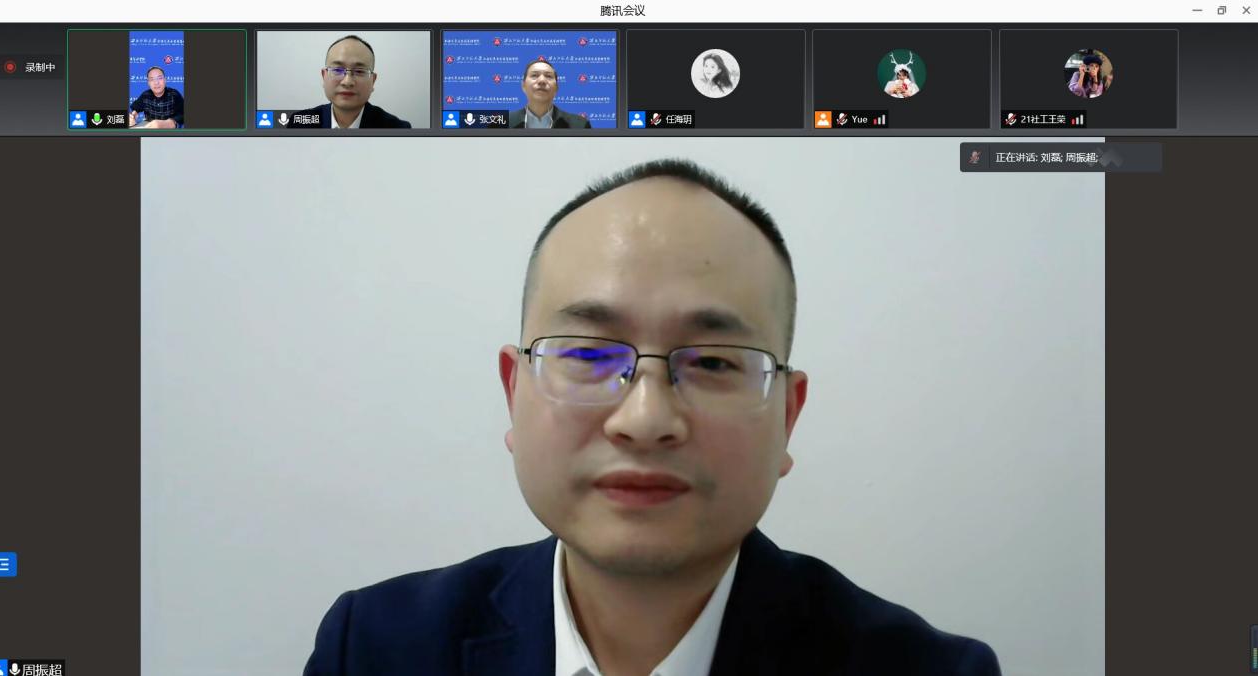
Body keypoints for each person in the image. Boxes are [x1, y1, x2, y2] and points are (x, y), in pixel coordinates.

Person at [303, 159, 1003, 676]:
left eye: (714, 362)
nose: (644, 420)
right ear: (514, 391)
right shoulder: (376, 648)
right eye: (588, 354)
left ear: (787, 417)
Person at [293, 35, 411, 129]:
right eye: (337, 70)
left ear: (373, 81)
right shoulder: (299, 123)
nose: (347, 82)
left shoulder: (397, 129)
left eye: (359, 71)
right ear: (324, 76)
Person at [508, 59, 592, 129]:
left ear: (556, 88)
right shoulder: (503, 122)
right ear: (523, 85)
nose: (542, 80)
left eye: (548, 76)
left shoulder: (580, 125)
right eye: (534, 75)